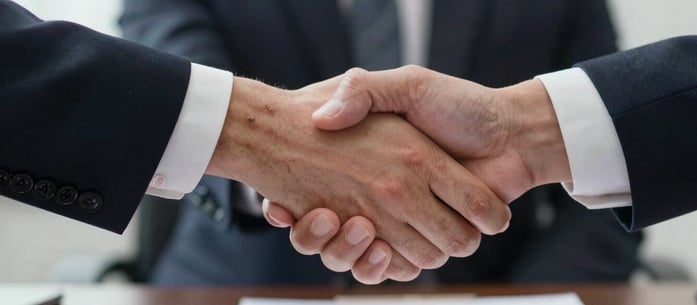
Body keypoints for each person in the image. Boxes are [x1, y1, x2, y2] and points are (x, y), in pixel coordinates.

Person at [120, 0, 641, 285]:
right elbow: (166, 89)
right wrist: (283, 170)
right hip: (240, 282)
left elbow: (602, 139)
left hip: (490, 284)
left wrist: (538, 296)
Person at [0, 0, 514, 281]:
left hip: (506, 282)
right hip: (236, 278)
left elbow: (585, 141)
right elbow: (163, 55)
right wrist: (272, 155)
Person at [274, 6, 697, 284]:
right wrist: (282, 174)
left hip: (503, 280)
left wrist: (530, 298)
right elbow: (203, 113)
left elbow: (603, 172)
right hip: (249, 276)